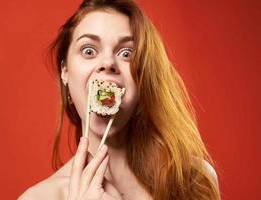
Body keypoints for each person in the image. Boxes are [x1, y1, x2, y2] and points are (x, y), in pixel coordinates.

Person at [18, 0, 220, 199]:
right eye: (89, 51)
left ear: (143, 77)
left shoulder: (194, 180)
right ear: (65, 72)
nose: (107, 63)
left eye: (126, 53)